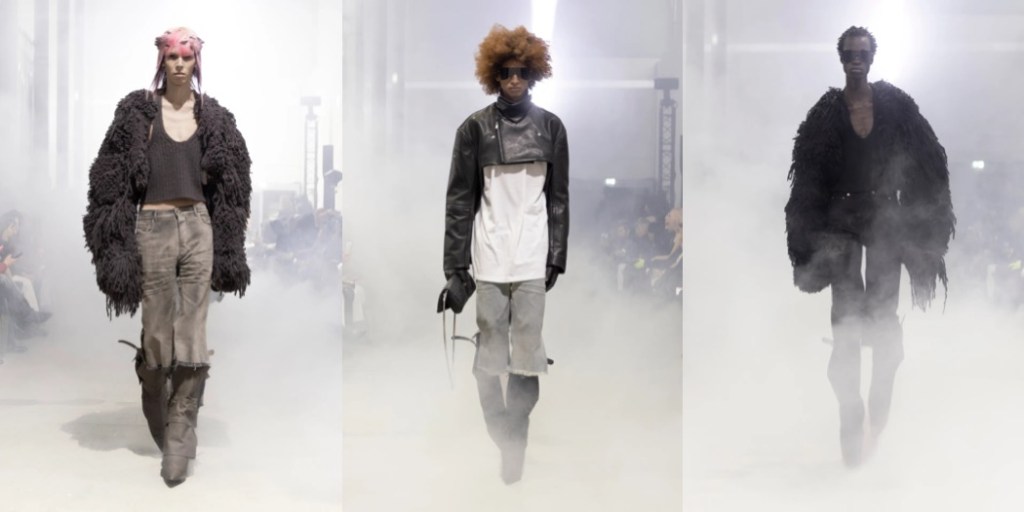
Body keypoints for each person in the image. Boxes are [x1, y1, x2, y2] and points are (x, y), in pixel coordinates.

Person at [82, 27, 252, 486]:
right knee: (158, 328)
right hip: (152, 226)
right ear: (162, 61)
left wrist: (229, 242)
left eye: (186, 57)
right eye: (172, 57)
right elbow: (109, 179)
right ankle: (157, 397)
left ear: (196, 63)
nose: (179, 64)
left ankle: (181, 428)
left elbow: (234, 184)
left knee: (192, 325)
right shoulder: (138, 113)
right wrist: (112, 243)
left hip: (198, 224)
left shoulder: (214, 117)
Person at [785, 26, 954, 468]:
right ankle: (850, 410)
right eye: (849, 53)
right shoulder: (826, 114)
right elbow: (807, 179)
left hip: (884, 218)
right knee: (845, 322)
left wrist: (926, 230)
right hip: (840, 221)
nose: (855, 59)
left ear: (872, 57)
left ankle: (878, 410)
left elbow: (929, 162)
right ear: (841, 58)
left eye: (862, 52)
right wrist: (805, 238)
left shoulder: (895, 106)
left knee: (883, 320)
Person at [442, 24, 569, 484]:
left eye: (522, 72)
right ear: (493, 75)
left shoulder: (551, 127)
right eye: (506, 72)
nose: (514, 79)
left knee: (528, 354)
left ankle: (515, 440)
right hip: (489, 254)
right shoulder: (474, 128)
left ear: (534, 75)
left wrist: (557, 254)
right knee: (490, 357)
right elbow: (459, 200)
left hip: (533, 255)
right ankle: (501, 431)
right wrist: (455, 268)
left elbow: (559, 197)